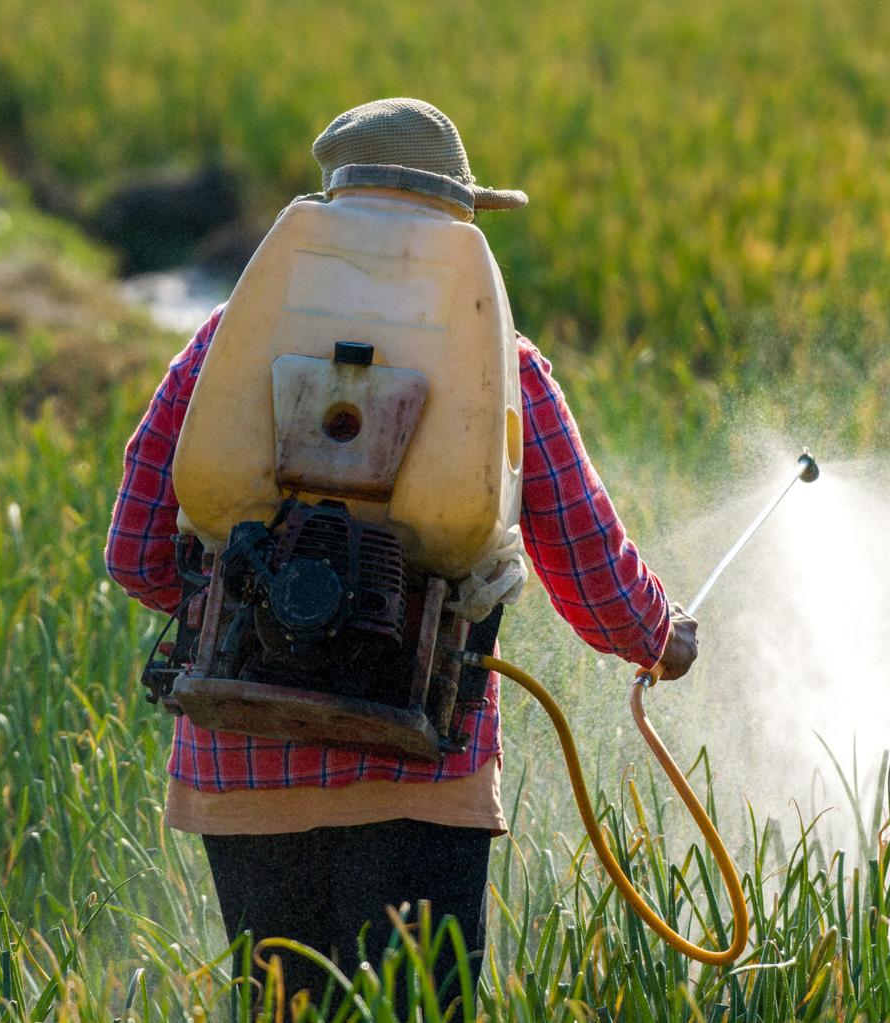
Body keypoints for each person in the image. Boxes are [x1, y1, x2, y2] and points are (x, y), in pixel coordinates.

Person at [105, 98, 699, 1010]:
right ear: (458, 220)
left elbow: (138, 554)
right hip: (422, 771)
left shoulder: (224, 345)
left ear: (332, 210)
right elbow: (588, 561)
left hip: (241, 767)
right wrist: (660, 640)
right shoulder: (504, 365)